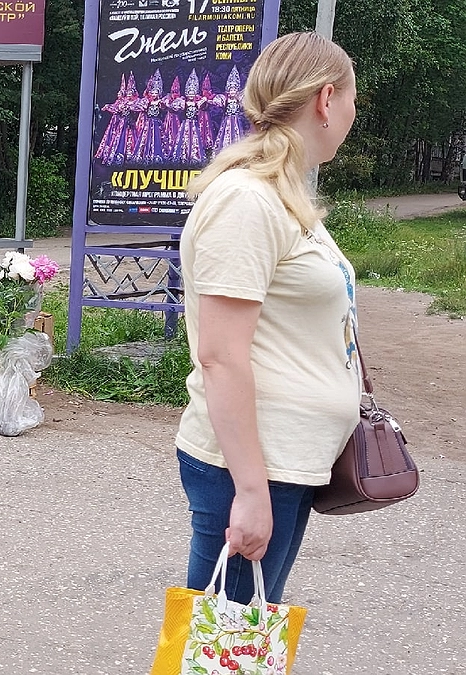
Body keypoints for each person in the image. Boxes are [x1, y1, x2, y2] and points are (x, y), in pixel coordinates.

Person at [175, 32, 360, 605]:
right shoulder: (247, 200)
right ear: (326, 100)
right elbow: (222, 354)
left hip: (282, 460)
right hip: (256, 466)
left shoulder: (281, 195)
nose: (354, 113)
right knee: (220, 650)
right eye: (354, 99)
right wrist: (252, 490)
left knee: (237, 644)